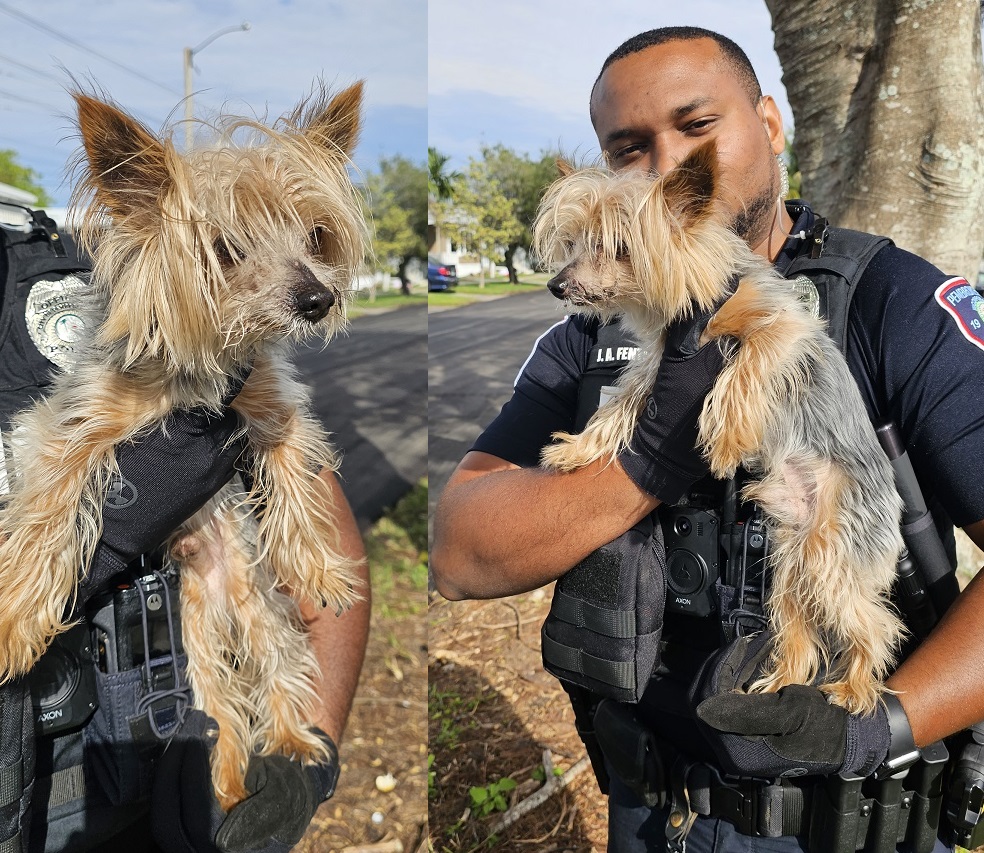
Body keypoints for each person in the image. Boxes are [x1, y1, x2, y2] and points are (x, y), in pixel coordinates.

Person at [432, 26, 984, 853]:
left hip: (851, 816)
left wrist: (882, 726)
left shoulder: (894, 306)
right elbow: (459, 553)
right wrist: (645, 460)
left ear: (770, 121)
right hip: (653, 812)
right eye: (628, 147)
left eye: (697, 126)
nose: (664, 165)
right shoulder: (592, 339)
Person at [0, 207, 370, 852]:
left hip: (157, 764)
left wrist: (310, 761)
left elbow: (295, 453)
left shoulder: (49, 259)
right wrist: (87, 549)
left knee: (245, 613)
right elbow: (66, 443)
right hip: (45, 804)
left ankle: (276, 731)